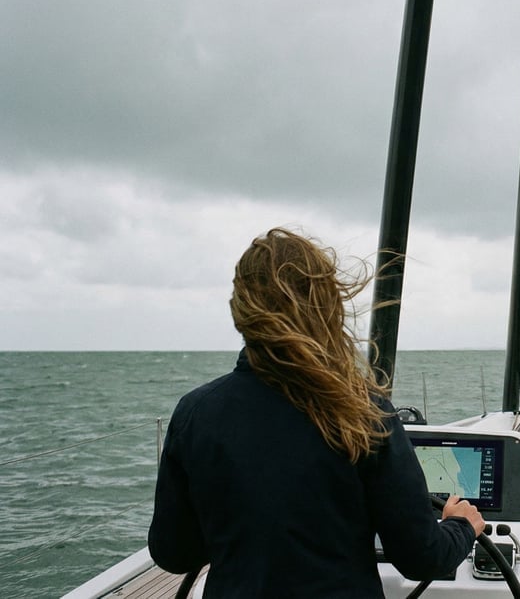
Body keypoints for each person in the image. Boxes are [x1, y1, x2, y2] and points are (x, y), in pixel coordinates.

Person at [148, 227, 484, 596]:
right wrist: (461, 526)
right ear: (327, 307)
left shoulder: (195, 414)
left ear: (241, 310)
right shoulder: (363, 414)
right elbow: (422, 557)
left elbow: (174, 553)